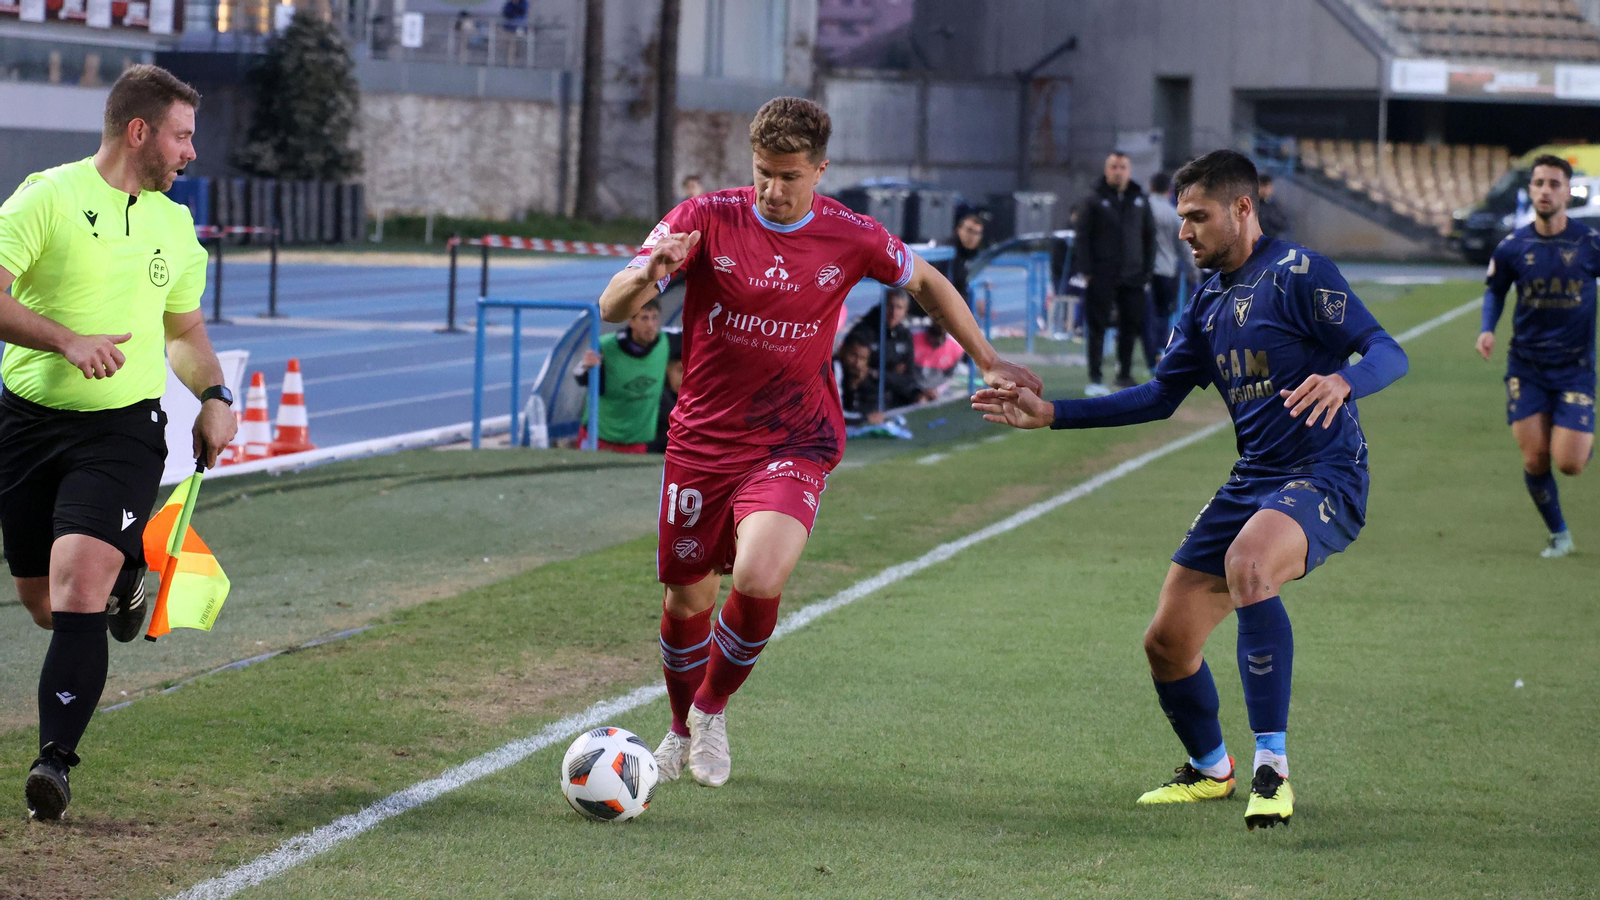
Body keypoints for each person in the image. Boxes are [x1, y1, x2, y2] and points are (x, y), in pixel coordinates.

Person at [597, 96, 1039, 789]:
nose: (773, 190)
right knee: (687, 602)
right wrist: (653, 268)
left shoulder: (851, 235)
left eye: (790, 176)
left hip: (794, 438)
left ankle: (710, 710)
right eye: (763, 173)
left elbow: (926, 281)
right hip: (702, 441)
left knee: (758, 575)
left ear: (820, 171)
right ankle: (680, 728)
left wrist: (985, 358)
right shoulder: (703, 219)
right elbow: (611, 307)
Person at [973, 149, 1408, 830]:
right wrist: (1051, 411)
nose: (1184, 232)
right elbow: (1157, 396)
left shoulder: (1300, 275)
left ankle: (1273, 770)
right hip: (1254, 478)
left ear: (1243, 208)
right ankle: (1212, 769)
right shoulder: (1207, 302)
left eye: (1197, 216)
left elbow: (1387, 350)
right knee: (1166, 642)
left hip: (1325, 473)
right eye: (1180, 218)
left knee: (1250, 563)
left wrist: (1345, 380)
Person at [0, 65, 237, 820]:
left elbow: (185, 330)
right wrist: (67, 341)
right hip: (27, 425)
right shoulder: (48, 197)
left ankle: (54, 766)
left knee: (77, 585)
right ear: (141, 133)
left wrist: (214, 394)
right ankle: (133, 567)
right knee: (41, 603)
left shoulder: (173, 223)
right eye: (182, 135)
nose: (190, 152)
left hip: (124, 430)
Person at [1478, 154, 1599, 558]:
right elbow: (1495, 290)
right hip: (1526, 367)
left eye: (1553, 184)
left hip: (1575, 368)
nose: (1545, 191)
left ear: (1567, 191)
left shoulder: (1589, 243)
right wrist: (1486, 329)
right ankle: (1559, 535)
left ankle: (1581, 437)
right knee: (1535, 458)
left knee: (1570, 464)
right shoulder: (1514, 246)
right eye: (1539, 183)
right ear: (1530, 190)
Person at [1070, 151, 1155, 395]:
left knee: (1130, 326)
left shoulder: (1140, 199)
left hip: (1134, 274)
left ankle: (1124, 374)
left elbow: (1150, 237)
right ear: (1107, 170)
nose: (1118, 171)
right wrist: (1086, 270)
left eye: (1123, 167)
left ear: (1129, 170)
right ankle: (1095, 378)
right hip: (1101, 274)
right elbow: (1082, 236)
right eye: (1114, 167)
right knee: (1097, 327)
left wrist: (1147, 271)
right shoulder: (1093, 199)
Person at [573, 298, 674, 454]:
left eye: (654, 317)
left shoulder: (664, 343)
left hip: (637, 442)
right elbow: (580, 376)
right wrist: (586, 365)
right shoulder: (606, 346)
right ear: (631, 321)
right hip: (599, 438)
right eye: (644, 318)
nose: (650, 324)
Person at [1143, 171, 1194, 369]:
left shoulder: (1143, 209)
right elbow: (1183, 245)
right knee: (1164, 315)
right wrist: (1192, 269)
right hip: (1166, 270)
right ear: (1169, 190)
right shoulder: (1173, 214)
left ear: (1151, 187)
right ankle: (1159, 354)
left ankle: (1149, 357)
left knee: (1147, 316)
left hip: (1144, 272)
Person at [845, 288, 927, 407]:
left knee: (922, 399)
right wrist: (892, 373)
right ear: (882, 305)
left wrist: (877, 373)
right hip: (865, 398)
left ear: (905, 311)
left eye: (899, 307)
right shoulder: (863, 331)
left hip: (895, 396)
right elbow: (856, 371)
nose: (894, 312)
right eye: (890, 306)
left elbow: (907, 377)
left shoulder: (904, 335)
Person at [1256, 173, 1291, 241]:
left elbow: (1284, 223)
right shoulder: (1254, 205)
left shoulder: (1271, 203)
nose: (1270, 190)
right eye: (1266, 186)